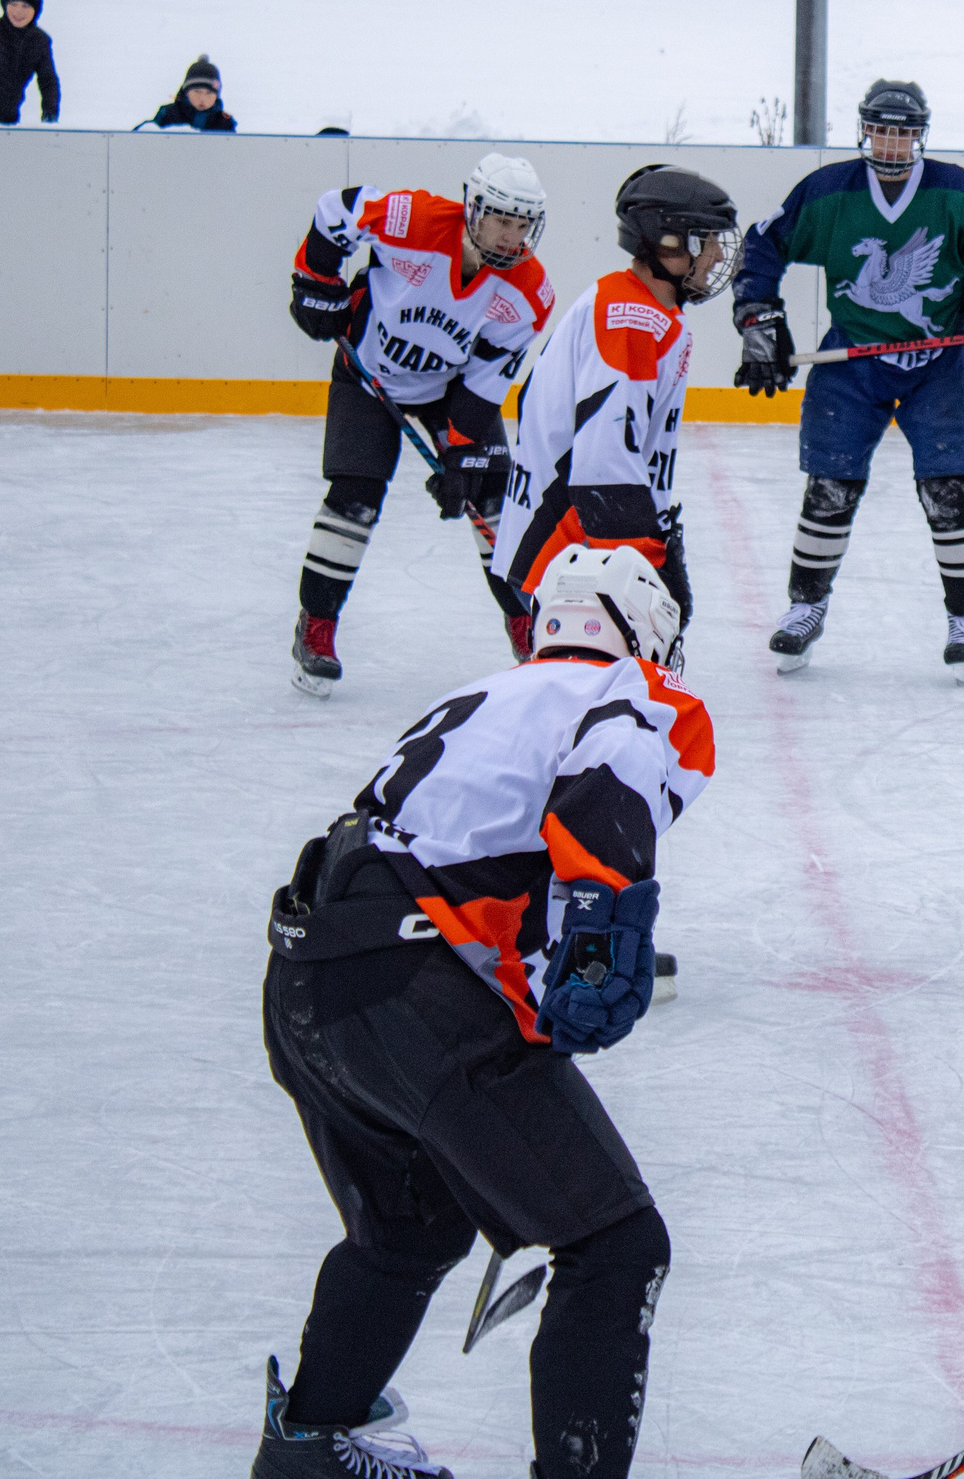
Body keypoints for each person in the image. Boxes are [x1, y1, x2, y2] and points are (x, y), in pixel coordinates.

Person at [253, 544, 710, 1479]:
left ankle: (308, 1449)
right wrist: (599, 951)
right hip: (407, 991)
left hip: (307, 981)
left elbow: (463, 872)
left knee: (409, 1230)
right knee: (616, 1243)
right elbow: (601, 814)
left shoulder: (482, 697)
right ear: (646, 632)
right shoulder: (621, 693)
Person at [728, 79, 964, 681]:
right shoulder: (829, 191)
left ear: (920, 136)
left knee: (948, 488)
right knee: (830, 487)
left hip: (936, 362)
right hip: (852, 359)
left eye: (903, 132)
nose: (891, 143)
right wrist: (759, 318)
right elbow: (762, 246)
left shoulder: (957, 192)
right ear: (865, 131)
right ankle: (805, 607)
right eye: (881, 131)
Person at [287, 155, 556, 695]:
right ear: (473, 209)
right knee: (354, 498)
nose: (512, 237)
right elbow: (335, 210)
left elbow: (484, 384)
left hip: (448, 391)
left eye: (523, 224)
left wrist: (460, 454)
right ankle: (315, 627)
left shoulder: (528, 293)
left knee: (493, 498)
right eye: (502, 221)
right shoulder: (414, 220)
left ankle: (525, 621)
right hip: (368, 376)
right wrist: (315, 282)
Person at [497, 164, 737, 639]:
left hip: (576, 554)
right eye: (706, 240)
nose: (715, 256)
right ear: (668, 242)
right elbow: (603, 466)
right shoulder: (629, 319)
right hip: (570, 561)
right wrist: (646, 562)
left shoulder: (644, 309)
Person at [148, 54, 236, 131]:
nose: (202, 98)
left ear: (216, 96)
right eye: (197, 92)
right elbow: (144, 136)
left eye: (209, 93)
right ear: (186, 93)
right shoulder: (168, 114)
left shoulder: (225, 122)